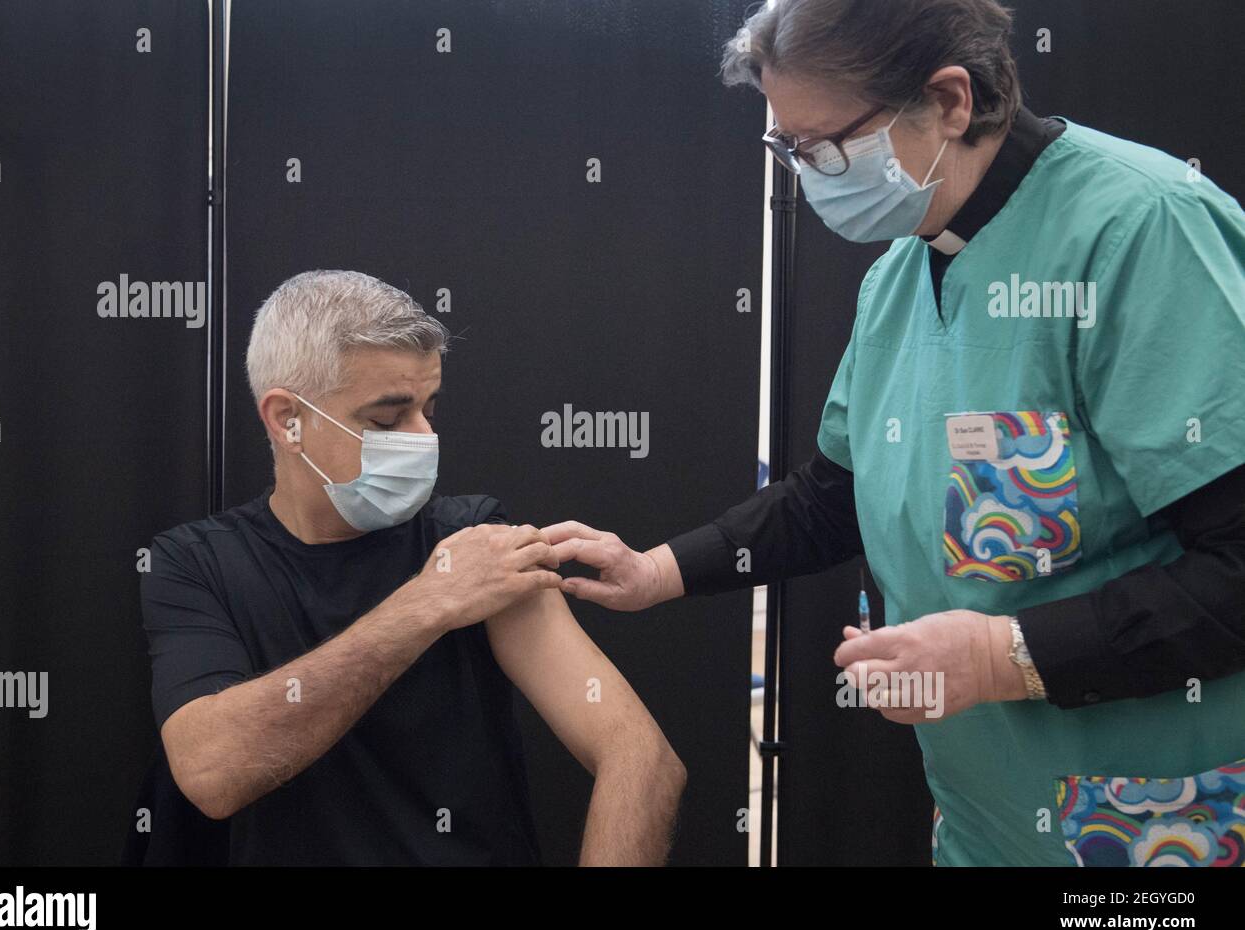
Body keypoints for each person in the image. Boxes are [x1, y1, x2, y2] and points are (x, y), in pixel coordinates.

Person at [546, 0, 1245, 866]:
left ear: (950, 100)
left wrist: (1003, 655)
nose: (805, 173)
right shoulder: (901, 275)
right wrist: (655, 570)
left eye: (823, 147)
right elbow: (836, 497)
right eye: (786, 148)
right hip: (987, 816)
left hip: (1158, 823)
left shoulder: (1142, 230)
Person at [140, 270, 685, 865]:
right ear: (286, 420)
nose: (424, 436)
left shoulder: (477, 541)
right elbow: (213, 772)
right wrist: (427, 605)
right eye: (387, 417)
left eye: (430, 407)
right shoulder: (197, 564)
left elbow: (640, 758)